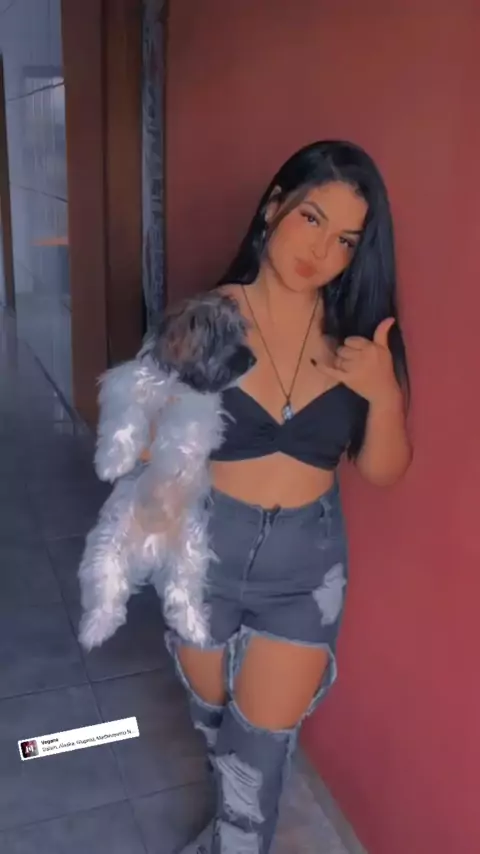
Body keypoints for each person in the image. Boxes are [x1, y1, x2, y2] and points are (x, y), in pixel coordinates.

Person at [144, 140, 412, 854]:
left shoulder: (360, 342)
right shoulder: (204, 320)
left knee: (255, 760)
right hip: (204, 552)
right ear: (273, 209)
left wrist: (383, 395)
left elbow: (384, 469)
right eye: (312, 219)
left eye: (346, 239)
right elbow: (140, 450)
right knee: (218, 730)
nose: (322, 251)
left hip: (304, 571)